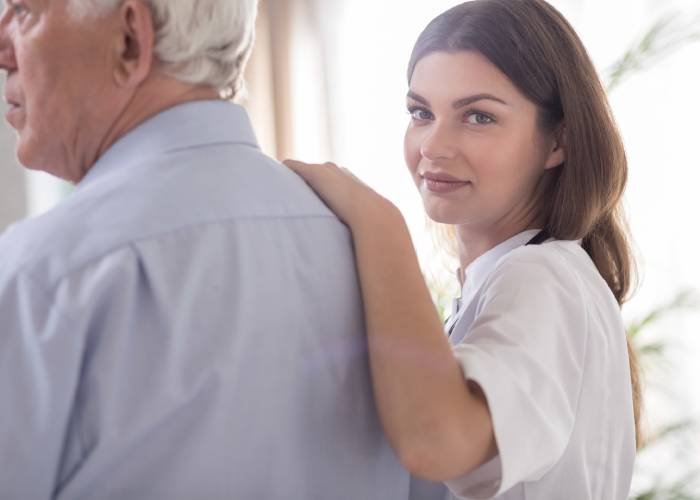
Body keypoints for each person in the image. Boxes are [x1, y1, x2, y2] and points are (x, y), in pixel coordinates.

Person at [0, 1, 433, 499]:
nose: (2, 46)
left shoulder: (43, 277)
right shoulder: (371, 255)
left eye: (24, 10)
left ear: (129, 41)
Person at [285, 0, 641, 498]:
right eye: (420, 112)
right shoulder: (514, 279)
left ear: (557, 141)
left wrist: (379, 223)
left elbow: (437, 442)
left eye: (478, 116)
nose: (434, 144)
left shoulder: (542, 276)